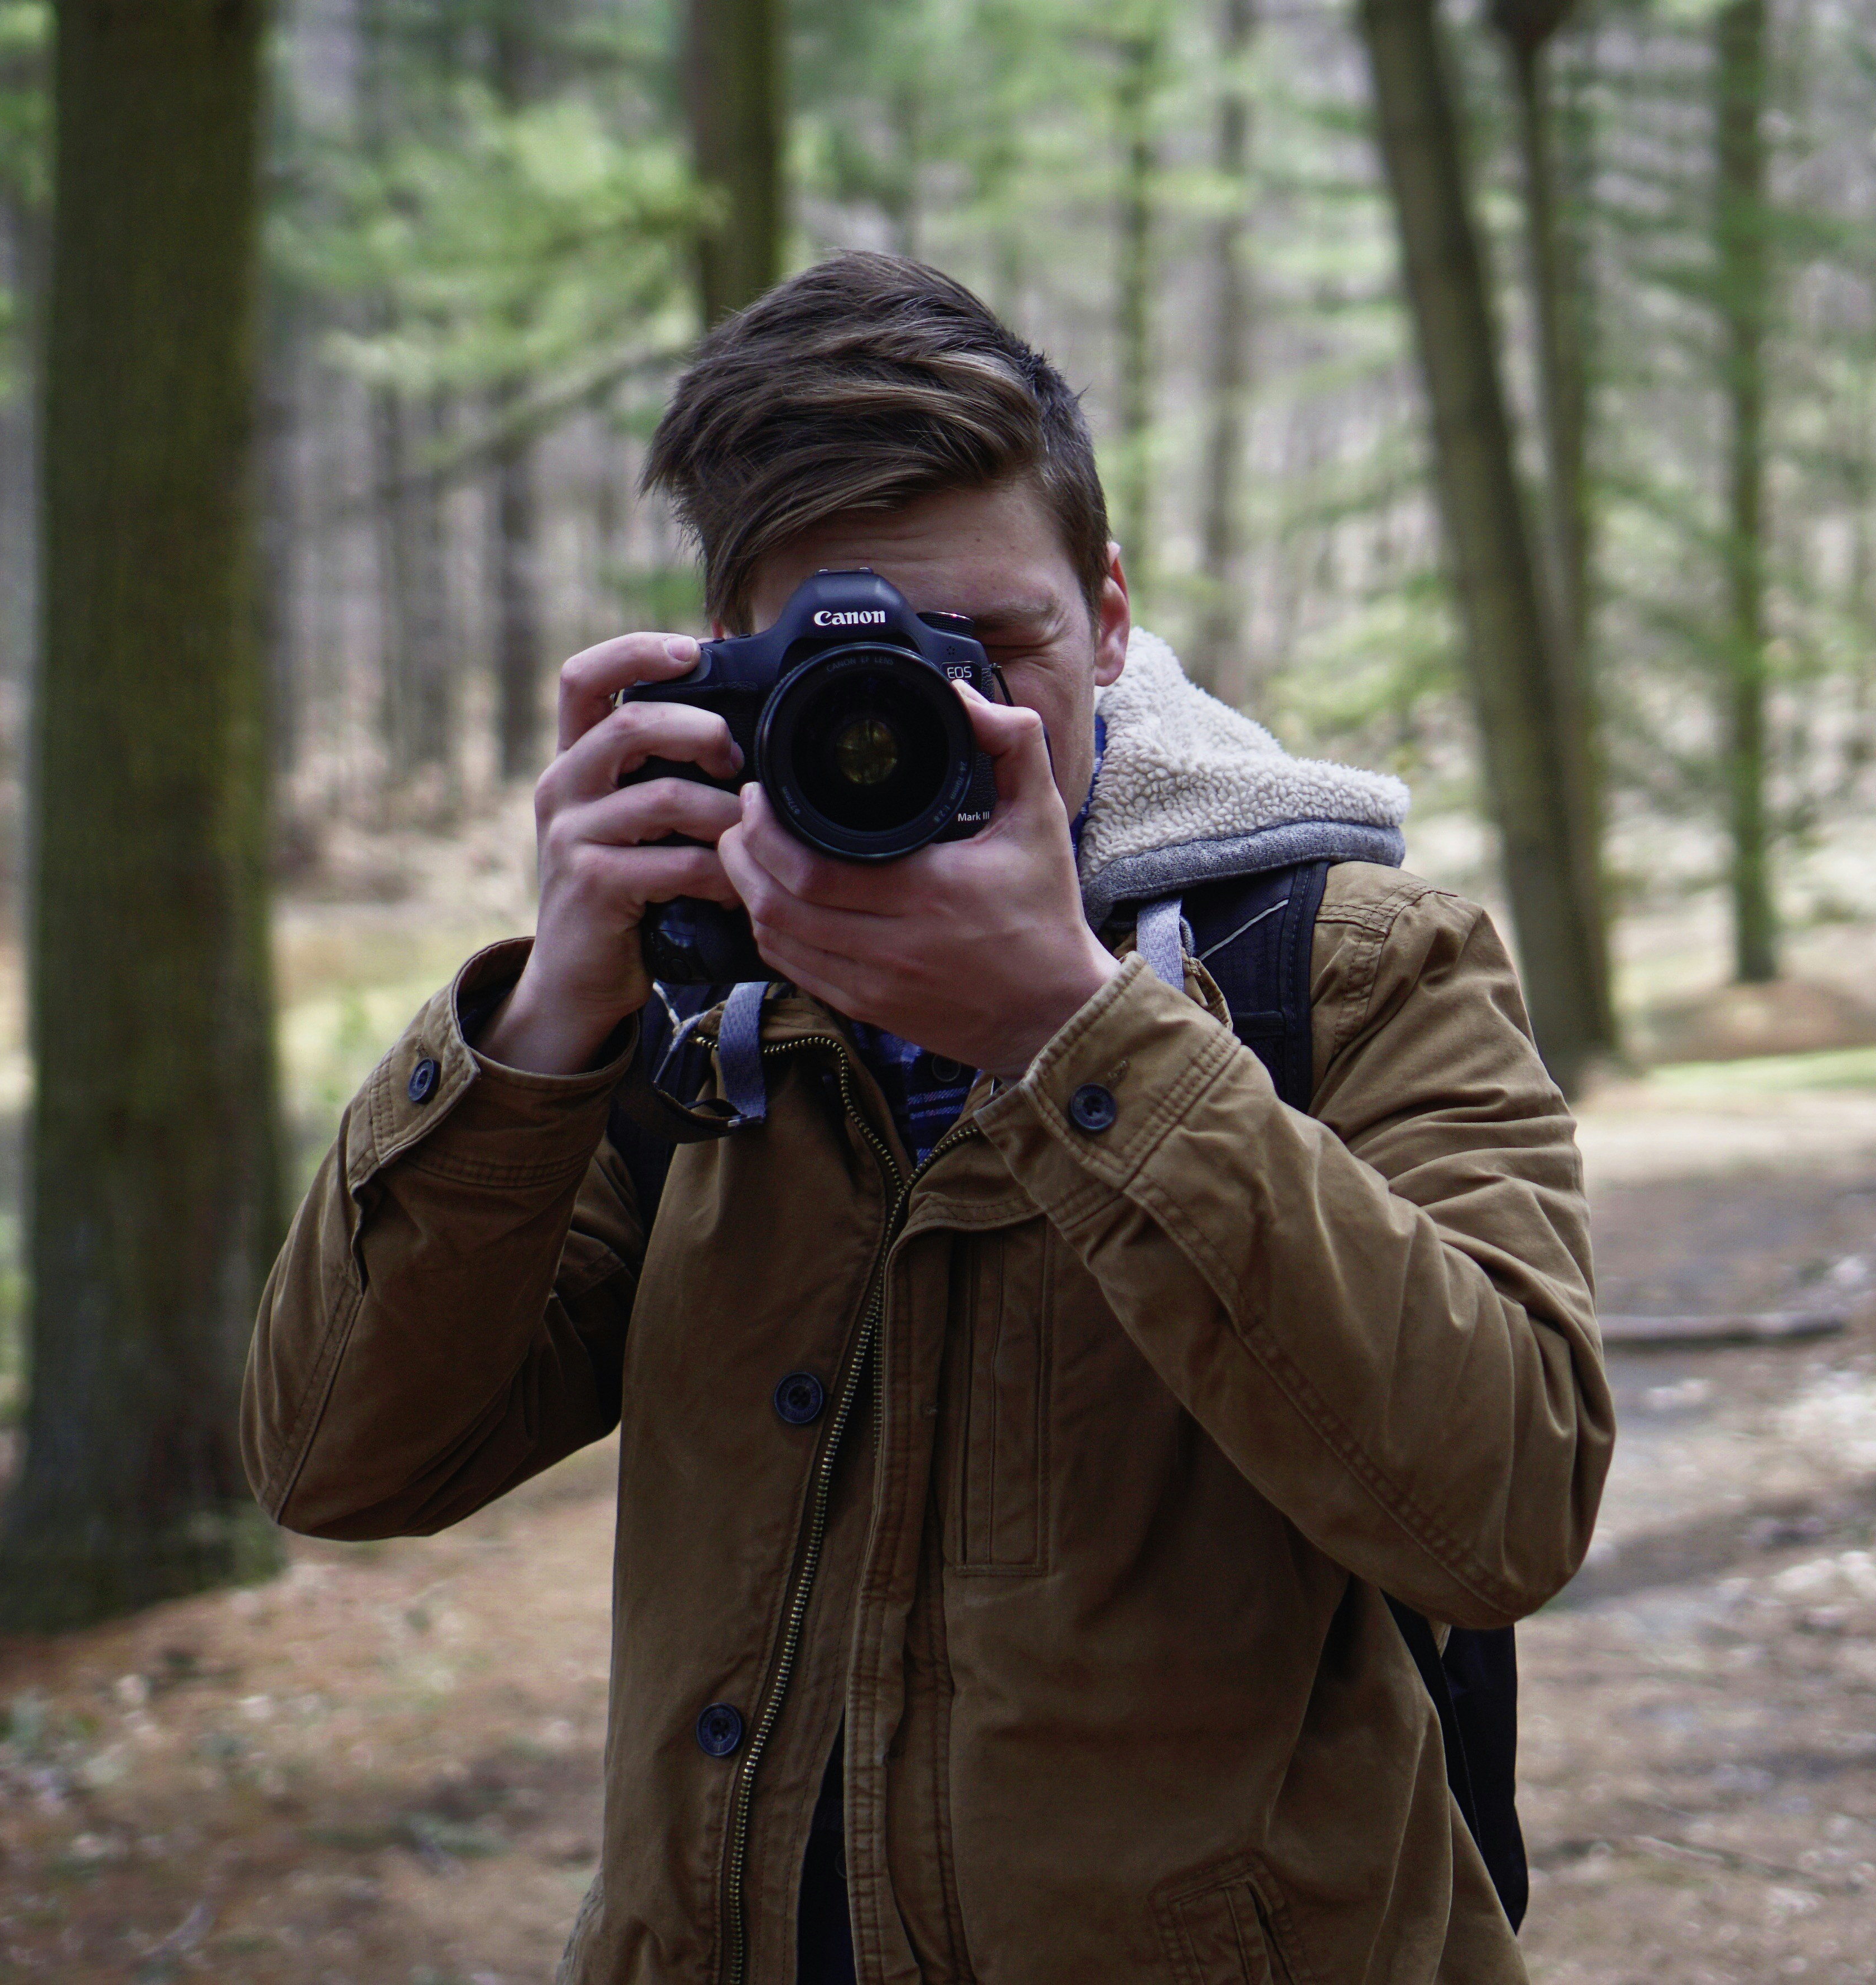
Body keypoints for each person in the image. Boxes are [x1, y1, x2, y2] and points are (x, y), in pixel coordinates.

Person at [243, 252, 1613, 1985]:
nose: (931, 716)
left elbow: (1503, 1506)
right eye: (856, 659)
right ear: (727, 656)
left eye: (1000, 647)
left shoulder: (1338, 966)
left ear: (1109, 617)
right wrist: (536, 1022)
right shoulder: (679, 1008)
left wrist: (1077, 1032)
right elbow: (339, 1462)